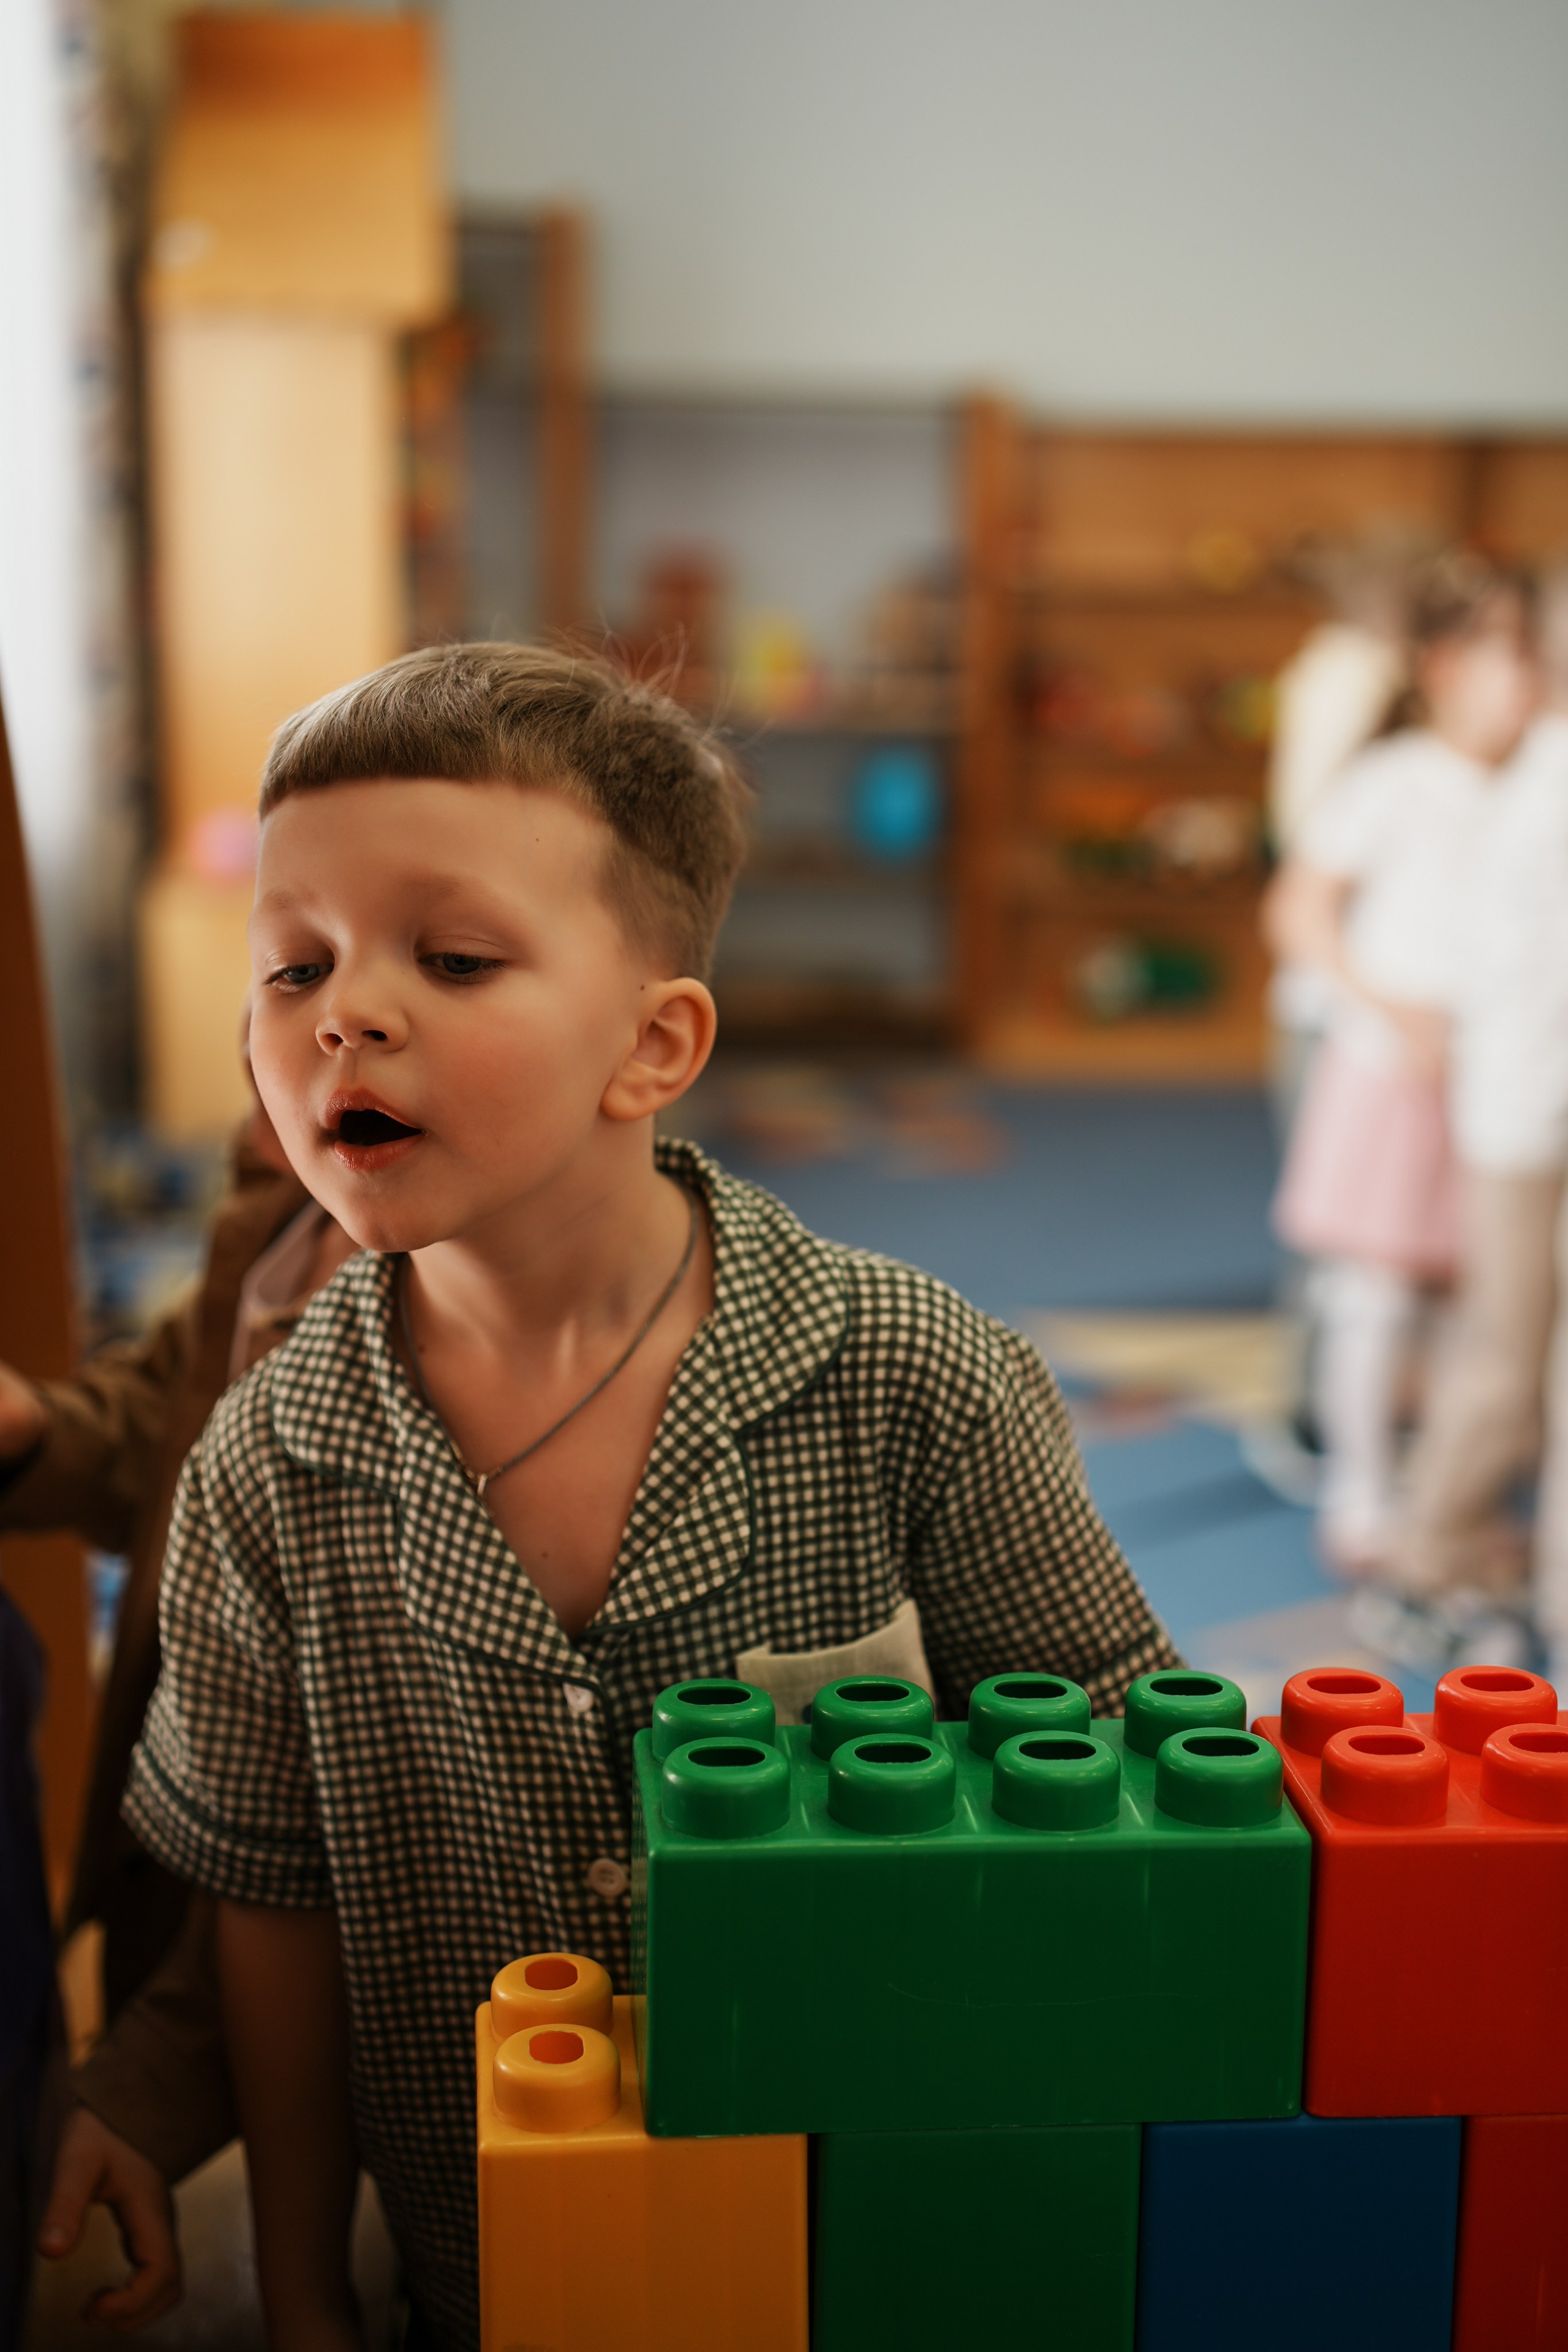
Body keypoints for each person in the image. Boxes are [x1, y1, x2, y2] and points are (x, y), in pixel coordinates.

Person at [115, 643, 1177, 2350]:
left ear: (652, 1043)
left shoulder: (917, 1379)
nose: (345, 1013)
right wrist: (304, 2294)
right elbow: (270, 1901)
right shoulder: (271, 1461)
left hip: (883, 2251)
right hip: (481, 2272)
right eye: (292, 965)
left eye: (451, 958)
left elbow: (1120, 1804)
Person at [1266, 562, 1539, 1575]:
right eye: (1518, 652)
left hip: (1494, 1075)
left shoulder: (1535, 782)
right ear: (1445, 666)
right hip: (1390, 1070)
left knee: (1480, 1295)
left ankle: (1445, 1489)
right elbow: (1296, 914)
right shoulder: (1395, 778)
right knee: (1372, 1289)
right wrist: (1387, 1009)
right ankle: (1359, 1494)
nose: (1536, 677)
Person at [1387, 576, 1568, 1663]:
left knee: (1506, 1350)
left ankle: (1448, 1552)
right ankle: (1433, 1557)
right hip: (1527, 1110)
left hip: (1520, 1105)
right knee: (1508, 1351)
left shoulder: (1535, 776)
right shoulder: (1546, 781)